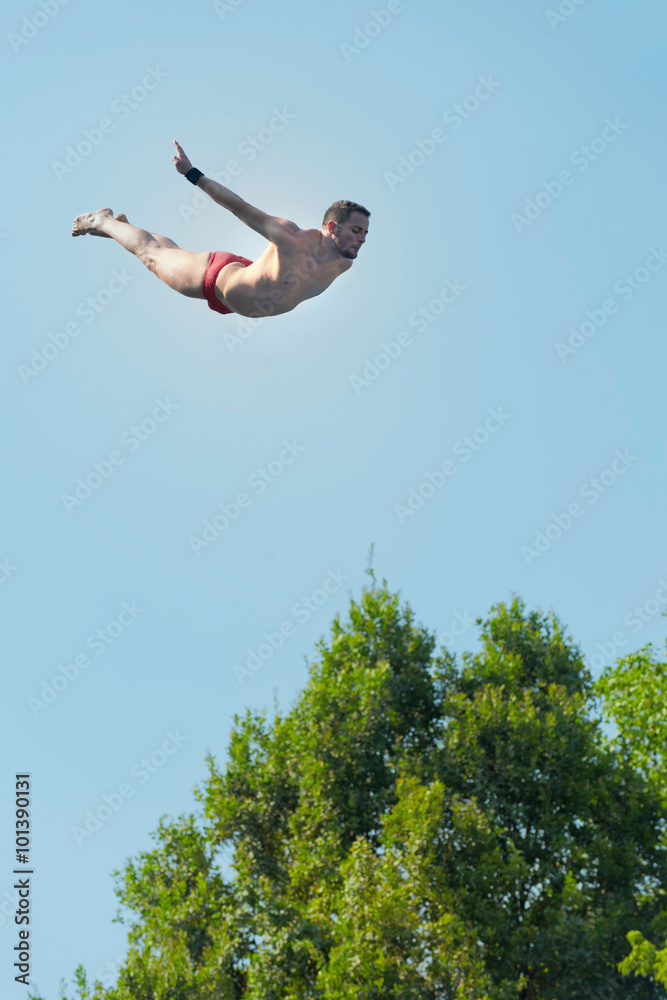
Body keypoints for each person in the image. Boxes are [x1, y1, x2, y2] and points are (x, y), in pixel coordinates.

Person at [71, 140, 370, 319]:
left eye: (365, 234)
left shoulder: (343, 263)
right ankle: (102, 220)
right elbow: (238, 206)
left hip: (246, 285)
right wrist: (192, 173)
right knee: (151, 254)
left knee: (167, 252)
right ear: (332, 227)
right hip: (218, 280)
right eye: (356, 231)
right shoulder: (292, 238)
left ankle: (123, 228)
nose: (361, 239)